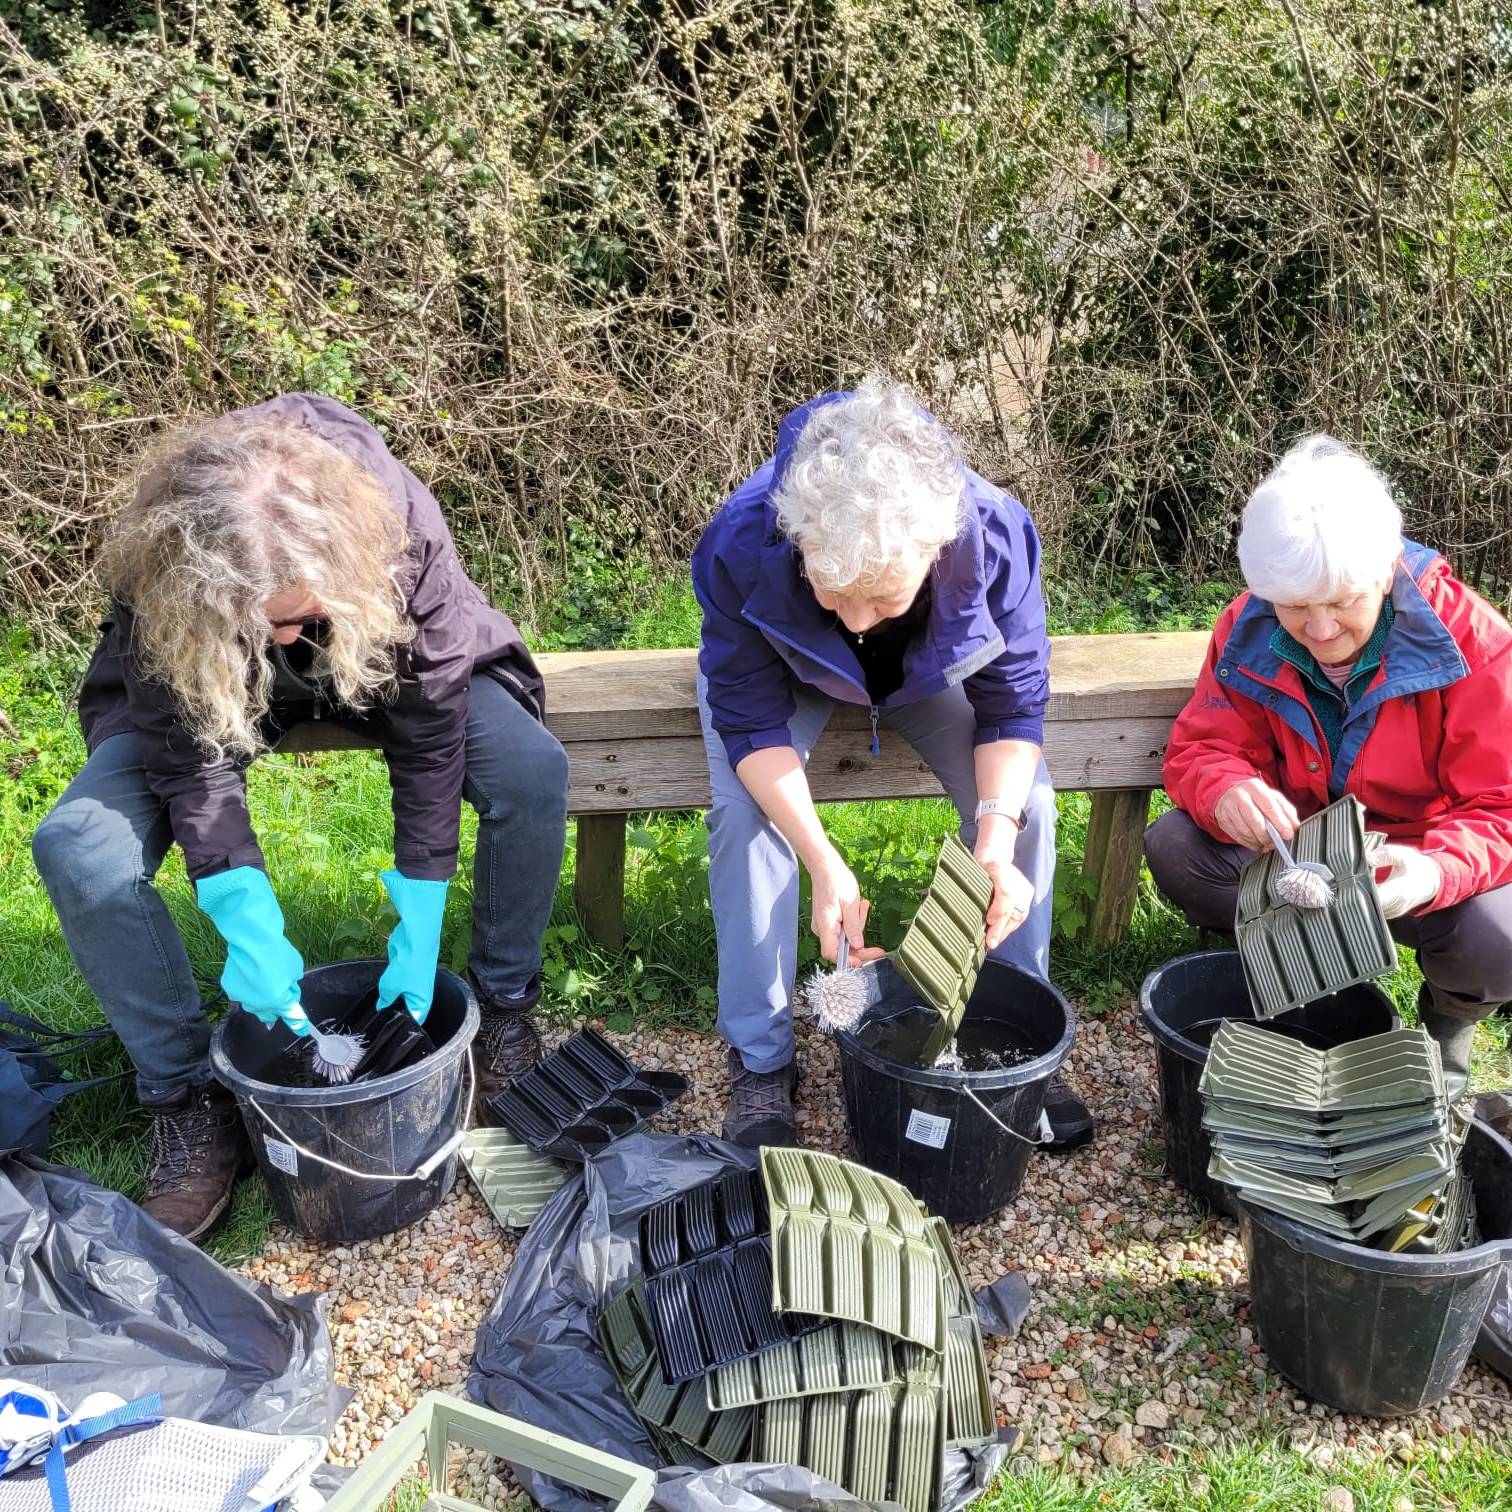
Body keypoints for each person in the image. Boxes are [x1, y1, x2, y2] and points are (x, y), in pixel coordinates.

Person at [33, 394, 569, 1240]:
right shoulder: (171, 556)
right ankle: (188, 1097)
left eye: (296, 612)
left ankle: (500, 1011)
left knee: (533, 772)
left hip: (381, 666)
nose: (283, 636)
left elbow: (431, 741)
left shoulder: (398, 534)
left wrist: (421, 908)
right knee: (78, 849)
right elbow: (187, 759)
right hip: (211, 685)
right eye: (263, 618)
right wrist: (242, 912)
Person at [692, 376, 1091, 1149]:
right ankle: (762, 1059)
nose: (857, 619)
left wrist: (993, 843)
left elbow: (1012, 704)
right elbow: (744, 717)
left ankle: (1015, 1027)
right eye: (833, 594)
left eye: (883, 598)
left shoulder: (997, 532)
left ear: (935, 548)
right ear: (797, 542)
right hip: (789, 679)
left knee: (1029, 806)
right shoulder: (742, 540)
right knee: (747, 821)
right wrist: (823, 863)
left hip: (924, 679)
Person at [1147, 434, 1512, 1098]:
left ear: (1385, 571)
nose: (1318, 630)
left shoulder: (1476, 645)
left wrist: (1432, 870)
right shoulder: (1246, 627)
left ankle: (1447, 1037)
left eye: (1342, 602)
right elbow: (1202, 747)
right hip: (1299, 851)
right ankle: (1299, 974)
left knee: (1500, 934)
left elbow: (1502, 811)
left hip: (1413, 862)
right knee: (1176, 846)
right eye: (1294, 607)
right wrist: (1226, 789)